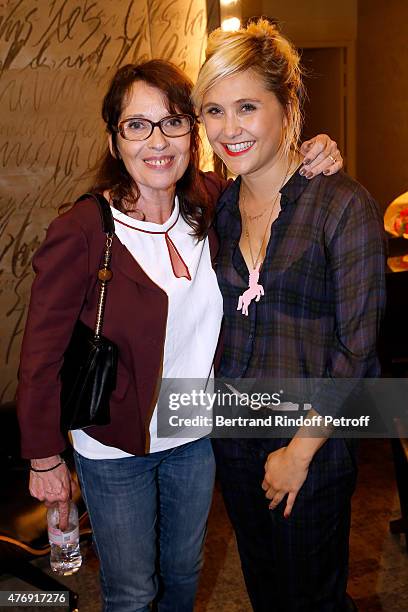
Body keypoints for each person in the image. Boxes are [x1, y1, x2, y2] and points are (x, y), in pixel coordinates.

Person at [17, 58, 341, 611]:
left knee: (184, 573)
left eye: (173, 122)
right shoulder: (83, 230)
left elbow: (265, 164)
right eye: (136, 125)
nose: (157, 141)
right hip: (115, 448)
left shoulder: (211, 203)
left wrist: (315, 150)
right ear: (115, 139)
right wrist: (44, 458)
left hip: (193, 441)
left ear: (193, 134)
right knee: (132, 590)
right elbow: (40, 357)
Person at [192, 19, 386, 612]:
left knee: (314, 596)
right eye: (213, 111)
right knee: (265, 589)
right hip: (236, 435)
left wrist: (300, 450)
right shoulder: (219, 207)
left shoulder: (340, 204)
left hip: (314, 441)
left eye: (247, 106)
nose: (230, 129)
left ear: (287, 105)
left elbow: (358, 351)